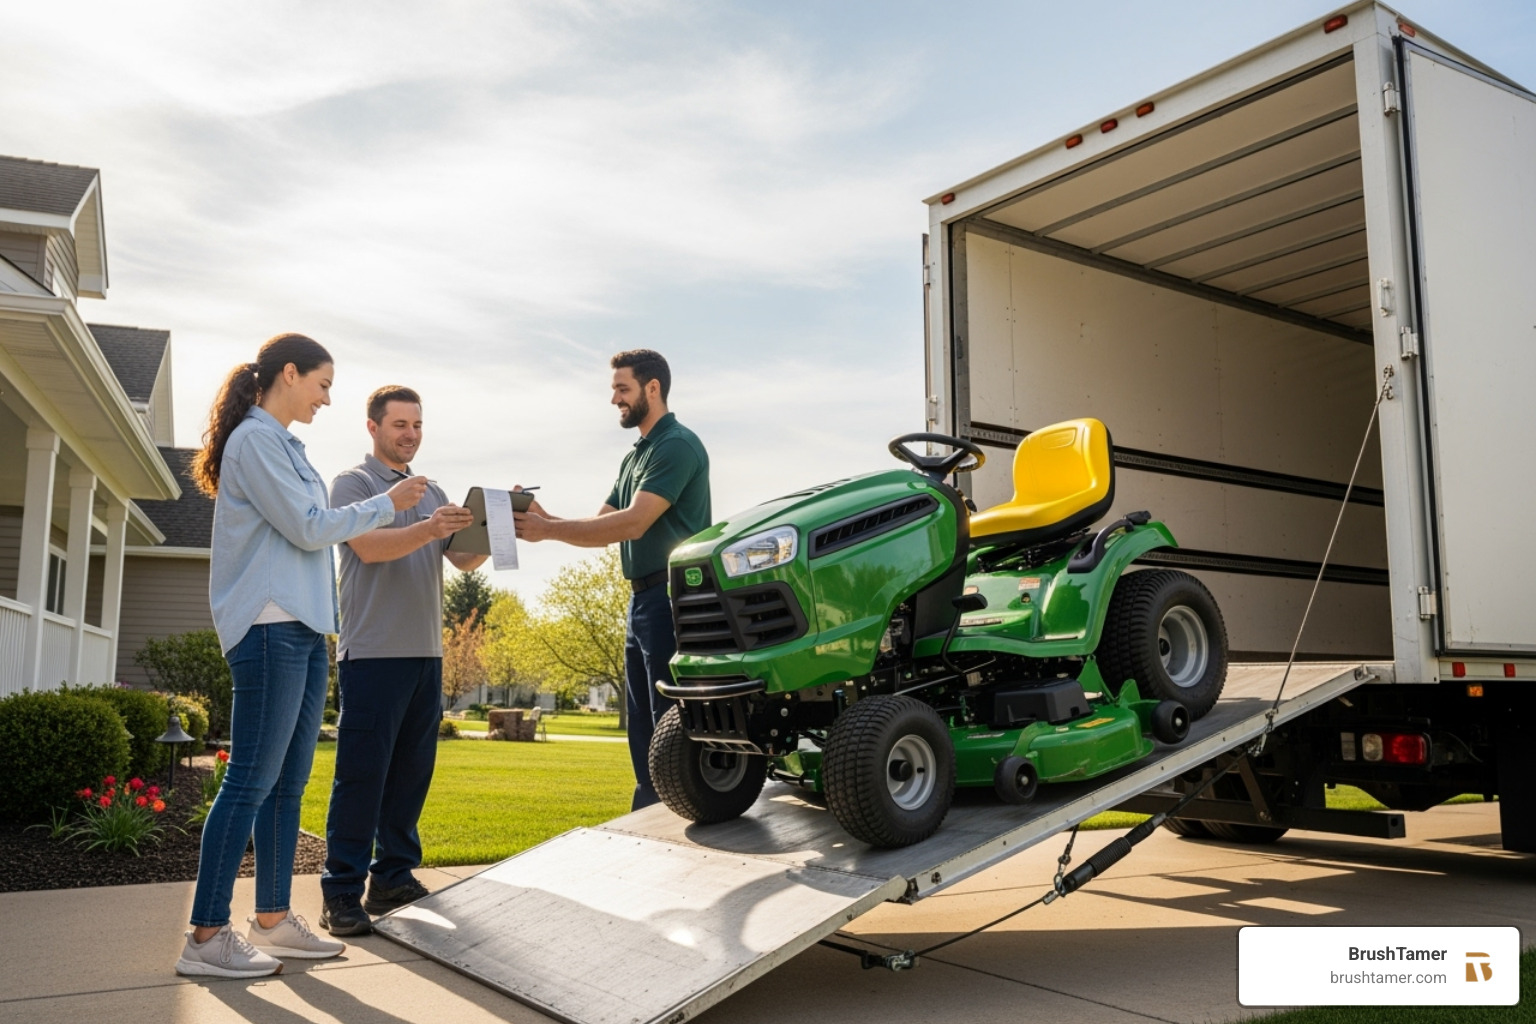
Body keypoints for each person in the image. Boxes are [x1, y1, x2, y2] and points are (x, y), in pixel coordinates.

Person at [176, 333, 428, 979]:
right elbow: (312, 527)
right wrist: (386, 504)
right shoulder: (255, 441)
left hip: (307, 627)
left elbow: (312, 529)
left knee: (289, 785)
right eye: (321, 384)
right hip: (267, 624)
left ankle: (272, 920)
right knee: (249, 784)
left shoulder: (284, 446)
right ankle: (206, 935)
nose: (327, 398)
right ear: (288, 373)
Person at [318, 386, 482, 936]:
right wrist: (430, 525)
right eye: (399, 425)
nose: (410, 434)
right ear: (373, 428)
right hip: (373, 653)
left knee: (411, 776)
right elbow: (369, 547)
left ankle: (392, 877)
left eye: (417, 425)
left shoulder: (432, 489)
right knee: (362, 777)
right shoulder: (355, 484)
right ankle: (340, 891)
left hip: (425, 655)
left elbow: (461, 559)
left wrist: (494, 522)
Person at [515, 349, 710, 810]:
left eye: (622, 389)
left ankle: (678, 825)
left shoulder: (676, 445)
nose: (614, 400)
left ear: (652, 388)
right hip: (641, 603)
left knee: (669, 728)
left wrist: (549, 531)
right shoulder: (636, 456)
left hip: (672, 598)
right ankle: (646, 819)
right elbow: (604, 524)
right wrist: (543, 518)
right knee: (642, 728)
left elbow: (634, 523)